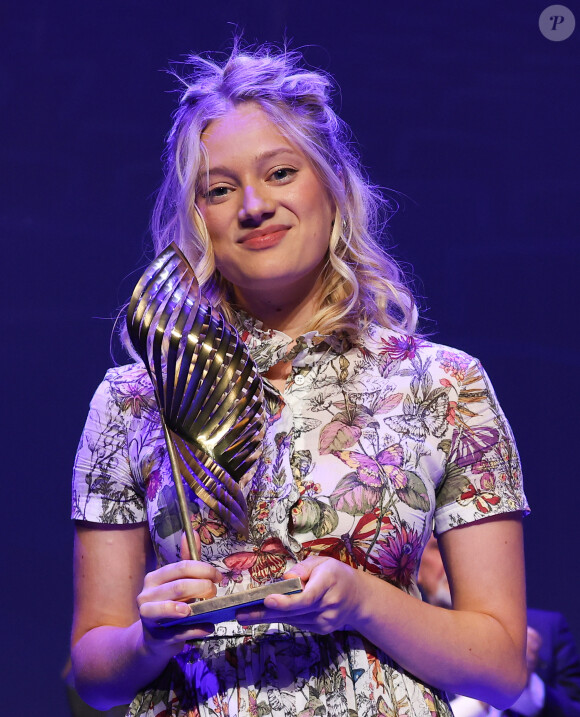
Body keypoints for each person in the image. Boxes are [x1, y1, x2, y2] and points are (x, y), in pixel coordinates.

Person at [71, 43, 531, 717]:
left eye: (280, 172)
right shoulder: (133, 399)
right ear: (198, 219)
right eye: (220, 189)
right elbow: (94, 673)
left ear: (331, 184)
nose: (253, 205)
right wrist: (148, 639)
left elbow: (502, 669)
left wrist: (364, 600)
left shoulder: (445, 385)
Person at [419, 537, 580, 717]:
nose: (451, 559)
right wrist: (484, 699)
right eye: (438, 547)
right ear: (415, 566)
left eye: (462, 547)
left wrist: (527, 688)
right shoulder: (402, 645)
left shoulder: (547, 630)